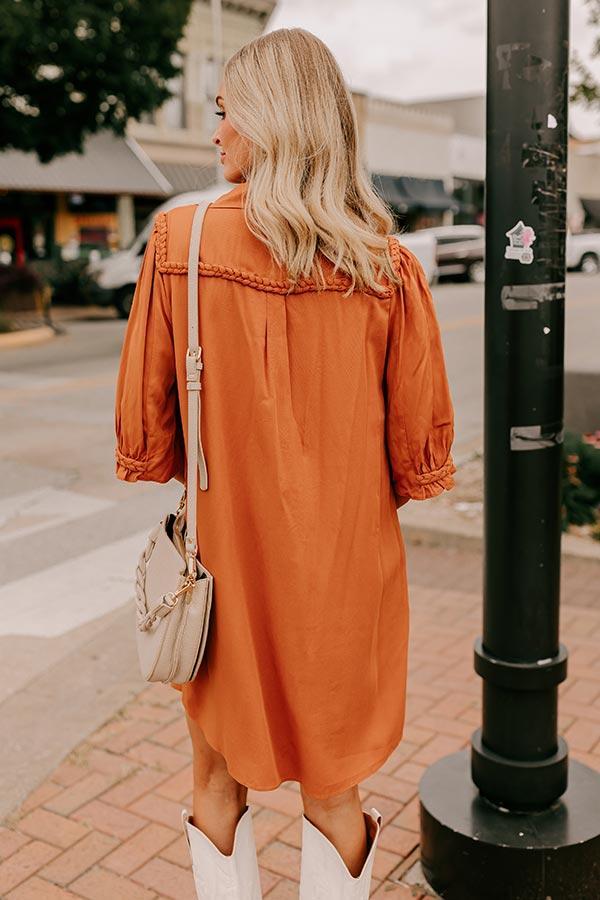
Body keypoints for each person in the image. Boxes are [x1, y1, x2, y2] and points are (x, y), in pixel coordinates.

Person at [114, 26, 456, 900]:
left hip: (228, 575)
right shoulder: (386, 265)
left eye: (227, 112)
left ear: (271, 119)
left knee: (217, 783)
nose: (217, 132)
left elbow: (149, 440)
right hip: (345, 582)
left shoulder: (179, 244)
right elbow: (417, 460)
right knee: (338, 798)